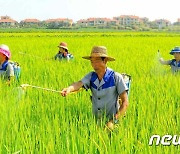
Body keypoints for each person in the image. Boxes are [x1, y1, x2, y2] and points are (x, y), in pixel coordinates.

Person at [61, 46, 129, 130]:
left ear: (105, 61)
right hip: (96, 122)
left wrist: (113, 121)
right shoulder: (91, 76)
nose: (93, 64)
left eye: (96, 60)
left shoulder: (115, 77)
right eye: (92, 61)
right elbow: (79, 84)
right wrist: (69, 89)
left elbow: (125, 102)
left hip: (113, 122)